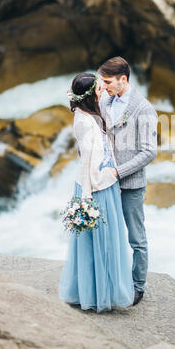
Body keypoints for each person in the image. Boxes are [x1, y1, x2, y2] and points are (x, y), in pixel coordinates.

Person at [59, 72, 134, 312]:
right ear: (91, 96)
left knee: (108, 240)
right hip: (95, 187)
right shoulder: (83, 121)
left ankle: (104, 290)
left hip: (105, 182)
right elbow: (87, 159)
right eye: (99, 90)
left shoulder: (90, 112)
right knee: (100, 243)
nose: (103, 92)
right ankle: (97, 294)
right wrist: (87, 195)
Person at [98, 57, 158, 306]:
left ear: (124, 79)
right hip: (105, 183)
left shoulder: (144, 109)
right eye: (102, 81)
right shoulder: (105, 101)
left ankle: (138, 287)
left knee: (136, 238)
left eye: (108, 81)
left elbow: (149, 152)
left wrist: (118, 172)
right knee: (109, 235)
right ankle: (112, 281)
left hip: (130, 185)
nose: (104, 86)